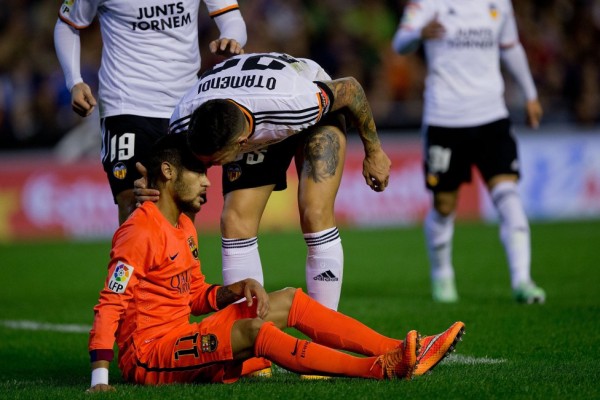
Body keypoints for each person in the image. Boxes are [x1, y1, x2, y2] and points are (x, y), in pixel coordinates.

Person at [87, 133, 465, 391]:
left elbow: (194, 295)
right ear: (168, 173)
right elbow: (110, 303)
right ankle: (381, 368)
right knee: (257, 333)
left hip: (180, 335)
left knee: (288, 299)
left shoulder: (184, 225)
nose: (206, 183)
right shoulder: (138, 231)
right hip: (149, 354)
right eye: (198, 173)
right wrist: (100, 378)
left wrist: (234, 290)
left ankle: (399, 348)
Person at [137, 52, 392, 313]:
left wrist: (374, 151)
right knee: (234, 220)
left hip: (301, 103)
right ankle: (247, 335)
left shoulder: (297, 102)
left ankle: (327, 323)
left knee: (315, 211)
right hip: (245, 106)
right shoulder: (185, 118)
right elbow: (166, 158)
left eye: (216, 161)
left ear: (241, 144)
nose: (212, 171)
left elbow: (351, 88)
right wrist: (150, 181)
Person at [391, 0, 546, 304]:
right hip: (445, 118)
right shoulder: (427, 3)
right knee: (445, 205)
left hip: (491, 115)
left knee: (507, 194)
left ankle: (522, 280)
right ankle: (443, 275)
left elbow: (510, 47)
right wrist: (420, 32)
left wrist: (530, 94)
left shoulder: (499, 4)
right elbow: (400, 43)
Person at [54, 0, 247, 224]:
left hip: (183, 107)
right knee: (132, 200)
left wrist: (232, 39)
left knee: (184, 204)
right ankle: (131, 260)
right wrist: (74, 81)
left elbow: (232, 18)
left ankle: (179, 260)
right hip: (125, 103)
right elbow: (67, 24)